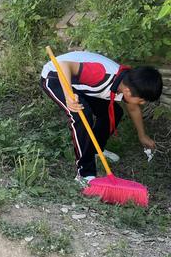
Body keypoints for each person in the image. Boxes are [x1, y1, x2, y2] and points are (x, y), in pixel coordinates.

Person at [40, 51, 162, 184]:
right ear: (128, 91)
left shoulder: (127, 83)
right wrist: (69, 96)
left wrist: (142, 135)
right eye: (142, 100)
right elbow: (64, 65)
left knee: (114, 112)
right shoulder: (101, 74)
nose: (142, 103)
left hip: (81, 85)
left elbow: (133, 108)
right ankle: (84, 173)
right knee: (82, 115)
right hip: (56, 77)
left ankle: (94, 150)